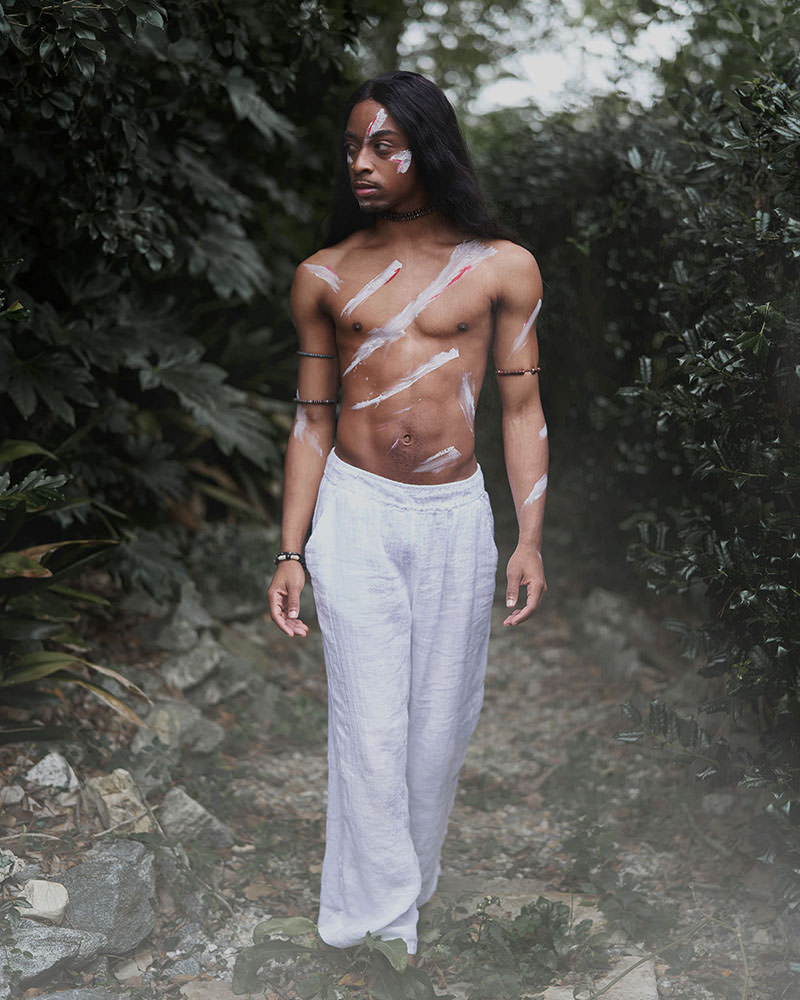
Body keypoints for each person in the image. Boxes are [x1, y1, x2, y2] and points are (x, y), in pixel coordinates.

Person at [267, 70, 548, 958]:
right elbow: (312, 419)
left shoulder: (503, 268)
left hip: (455, 520)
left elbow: (522, 410)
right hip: (355, 511)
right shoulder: (324, 276)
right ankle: (376, 920)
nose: (361, 161)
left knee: (437, 729)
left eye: (383, 144)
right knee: (369, 719)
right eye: (352, 145)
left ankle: (407, 884)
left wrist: (530, 536)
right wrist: (291, 550)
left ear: (428, 147)